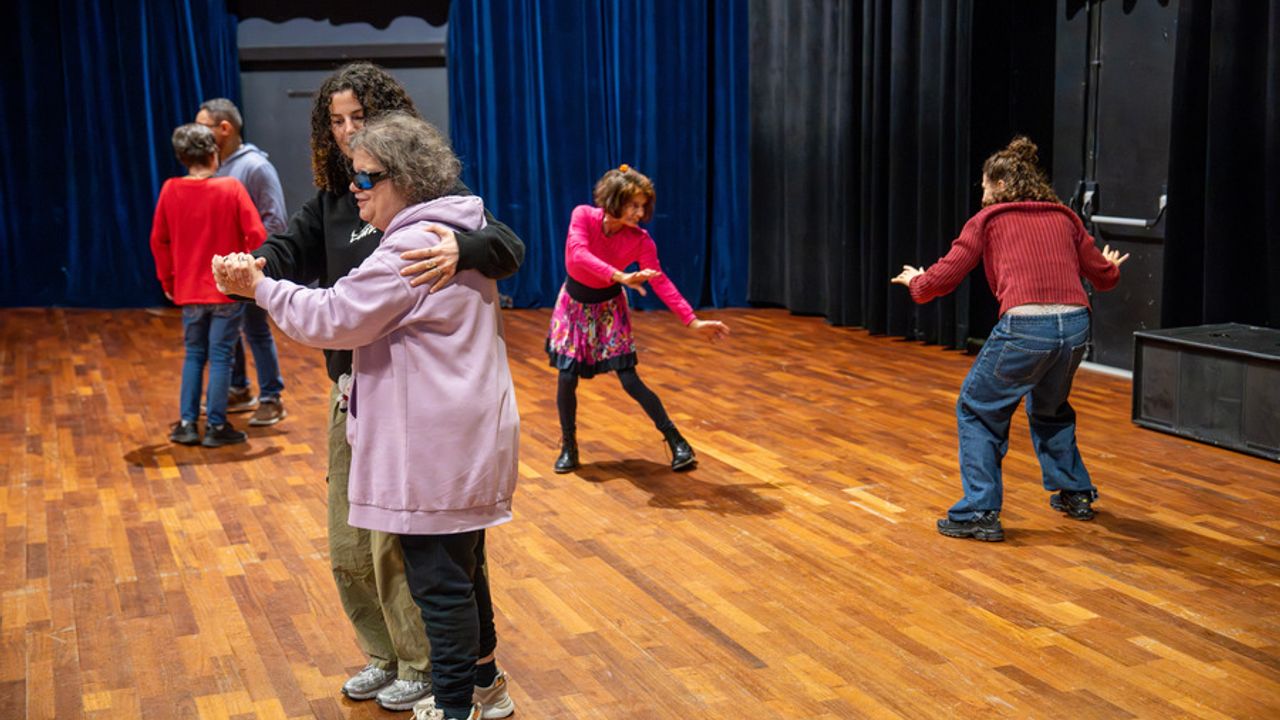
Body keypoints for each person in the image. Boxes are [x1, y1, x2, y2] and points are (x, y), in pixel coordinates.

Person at [214, 112, 518, 720]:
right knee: (461, 569)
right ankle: (486, 687)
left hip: (433, 441)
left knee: (439, 581)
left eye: (367, 177)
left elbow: (334, 317)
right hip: (461, 429)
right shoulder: (460, 226)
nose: (355, 188)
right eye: (353, 175)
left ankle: (455, 707)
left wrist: (260, 288)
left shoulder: (413, 245)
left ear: (406, 178)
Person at [891, 136, 1128, 542]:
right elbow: (1102, 276)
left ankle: (980, 512)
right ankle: (1075, 494)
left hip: (1026, 327)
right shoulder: (1065, 217)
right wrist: (1109, 266)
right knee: (1051, 408)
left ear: (1001, 184)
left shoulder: (988, 220)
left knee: (978, 410)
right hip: (1074, 326)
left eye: (984, 184)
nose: (981, 193)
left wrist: (917, 282)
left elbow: (944, 277)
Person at [547, 164, 730, 474]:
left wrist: (692, 320)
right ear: (614, 199)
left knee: (630, 379)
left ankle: (676, 441)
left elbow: (660, 281)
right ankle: (569, 446)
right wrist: (620, 275)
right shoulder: (583, 216)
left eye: (642, 206)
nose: (638, 212)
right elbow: (577, 254)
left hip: (608, 309)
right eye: (633, 204)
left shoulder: (640, 240)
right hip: (574, 306)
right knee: (567, 378)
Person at [148, 123, 265, 448]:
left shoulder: (170, 189)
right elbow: (256, 235)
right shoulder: (231, 188)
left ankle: (187, 423)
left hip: (188, 291)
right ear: (214, 154)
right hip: (227, 290)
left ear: (182, 157)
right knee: (221, 355)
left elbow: (159, 240)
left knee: (194, 354)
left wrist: (168, 280)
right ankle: (215, 425)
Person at [195, 98, 289, 426]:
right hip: (223, 270)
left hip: (249, 268)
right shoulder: (214, 165)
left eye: (202, 126)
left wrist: (254, 264)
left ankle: (271, 397)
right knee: (229, 331)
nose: (197, 132)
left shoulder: (256, 167)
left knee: (256, 330)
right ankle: (238, 388)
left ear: (225, 128)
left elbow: (275, 220)